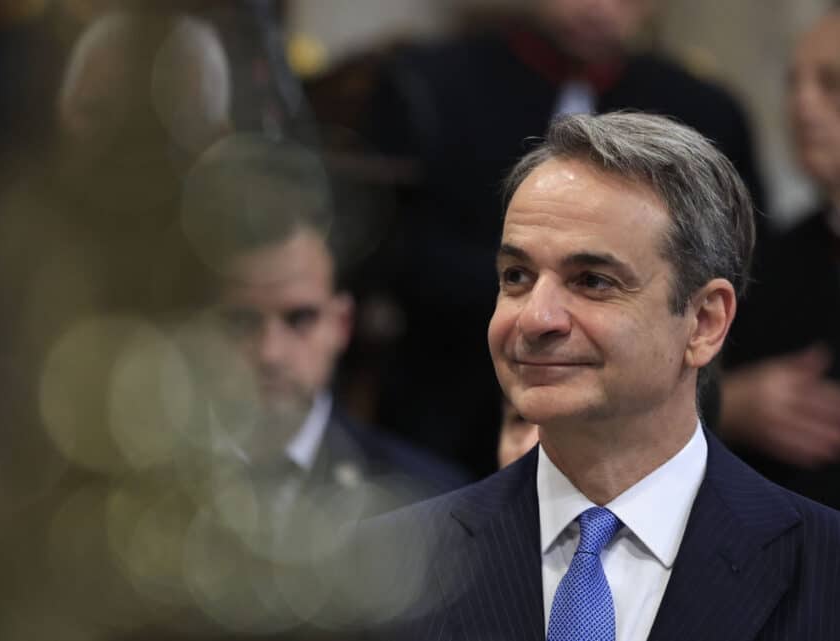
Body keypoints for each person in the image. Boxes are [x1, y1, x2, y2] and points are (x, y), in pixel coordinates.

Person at [352, 112, 840, 641]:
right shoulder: (381, 572)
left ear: (704, 322)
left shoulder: (825, 572)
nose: (535, 318)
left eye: (592, 281)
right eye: (517, 276)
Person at [358, 0, 765, 477]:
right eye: (517, 276)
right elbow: (388, 254)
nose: (598, 8)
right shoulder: (428, 86)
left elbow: (738, 270)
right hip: (440, 428)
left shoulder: (704, 110)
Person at [184, 137, 470, 507]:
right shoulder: (127, 494)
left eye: (299, 319)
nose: (270, 354)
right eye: (240, 322)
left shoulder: (430, 505)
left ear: (342, 324)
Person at [721, 8, 840, 509]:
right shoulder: (766, 258)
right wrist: (729, 405)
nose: (802, 106)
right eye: (795, 84)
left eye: (831, 84)